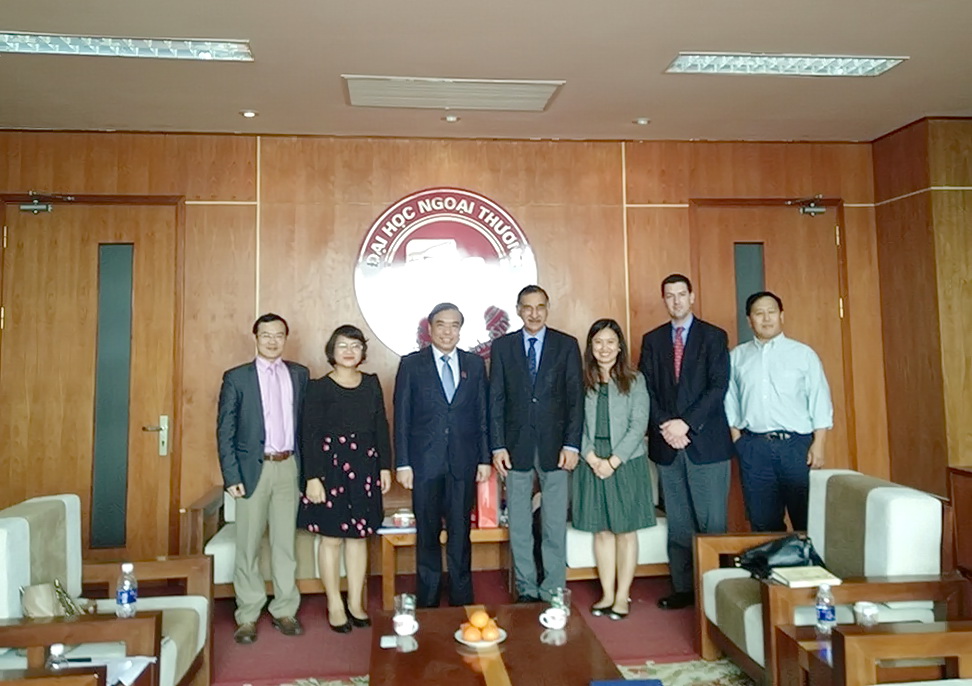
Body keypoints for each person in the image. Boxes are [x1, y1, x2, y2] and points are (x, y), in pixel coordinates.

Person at [639, 274, 732, 610]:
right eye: (670, 295)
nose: (676, 301)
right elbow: (645, 389)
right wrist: (666, 425)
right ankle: (683, 588)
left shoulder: (714, 336)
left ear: (692, 297)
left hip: (706, 444)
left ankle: (717, 595)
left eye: (681, 294)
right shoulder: (652, 340)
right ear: (664, 300)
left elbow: (718, 387)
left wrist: (686, 424)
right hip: (667, 443)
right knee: (679, 523)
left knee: (711, 524)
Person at [217, 313, 309, 644]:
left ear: (286, 338)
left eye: (279, 335)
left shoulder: (299, 374)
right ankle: (248, 614)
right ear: (255, 338)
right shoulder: (237, 377)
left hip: (289, 466)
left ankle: (285, 610)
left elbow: (306, 425)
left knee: (285, 543)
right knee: (248, 545)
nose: (272, 340)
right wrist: (231, 475)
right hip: (251, 470)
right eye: (266, 335)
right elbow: (225, 430)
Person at [489, 285, 584, 603]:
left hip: (556, 449)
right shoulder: (503, 347)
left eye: (540, 307)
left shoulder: (566, 345)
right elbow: (496, 398)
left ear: (547, 308)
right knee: (519, 525)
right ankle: (527, 589)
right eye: (527, 307)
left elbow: (575, 400)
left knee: (554, 524)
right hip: (515, 447)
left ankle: (553, 589)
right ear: (518, 310)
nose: (534, 313)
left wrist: (572, 445)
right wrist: (497, 445)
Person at [394, 303, 491, 607]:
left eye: (454, 325)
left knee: (460, 533)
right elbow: (402, 417)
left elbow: (483, 415)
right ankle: (428, 599)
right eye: (441, 325)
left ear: (460, 330)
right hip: (424, 464)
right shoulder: (411, 365)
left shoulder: (474, 365)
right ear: (430, 328)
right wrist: (403, 463)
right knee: (427, 533)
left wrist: (485, 459)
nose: (448, 332)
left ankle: (462, 598)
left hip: (464, 461)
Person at [298, 325, 392, 632]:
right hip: (330, 469)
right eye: (342, 346)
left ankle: (354, 602)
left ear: (363, 351)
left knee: (358, 537)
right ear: (332, 351)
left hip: (365, 466)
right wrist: (312, 477)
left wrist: (384, 467)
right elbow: (309, 435)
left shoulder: (371, 383)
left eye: (355, 345)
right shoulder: (318, 387)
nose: (349, 351)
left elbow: (381, 427)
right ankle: (334, 604)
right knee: (331, 539)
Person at [725, 291, 833, 532]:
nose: (766, 318)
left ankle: (807, 559)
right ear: (749, 320)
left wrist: (819, 444)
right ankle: (771, 559)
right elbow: (730, 401)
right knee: (763, 524)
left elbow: (819, 399)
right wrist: (738, 441)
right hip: (754, 448)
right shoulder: (737, 357)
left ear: (781, 316)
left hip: (796, 447)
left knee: (807, 521)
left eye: (771, 312)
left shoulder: (803, 354)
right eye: (759, 313)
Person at [572, 319, 655, 620]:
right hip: (591, 461)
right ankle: (607, 594)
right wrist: (592, 458)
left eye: (610, 342)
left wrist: (613, 461)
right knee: (602, 531)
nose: (604, 348)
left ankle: (622, 596)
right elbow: (573, 423)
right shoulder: (581, 380)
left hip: (626, 462)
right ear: (590, 347)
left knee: (625, 531)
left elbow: (639, 425)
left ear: (620, 347)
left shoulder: (635, 380)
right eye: (598, 342)